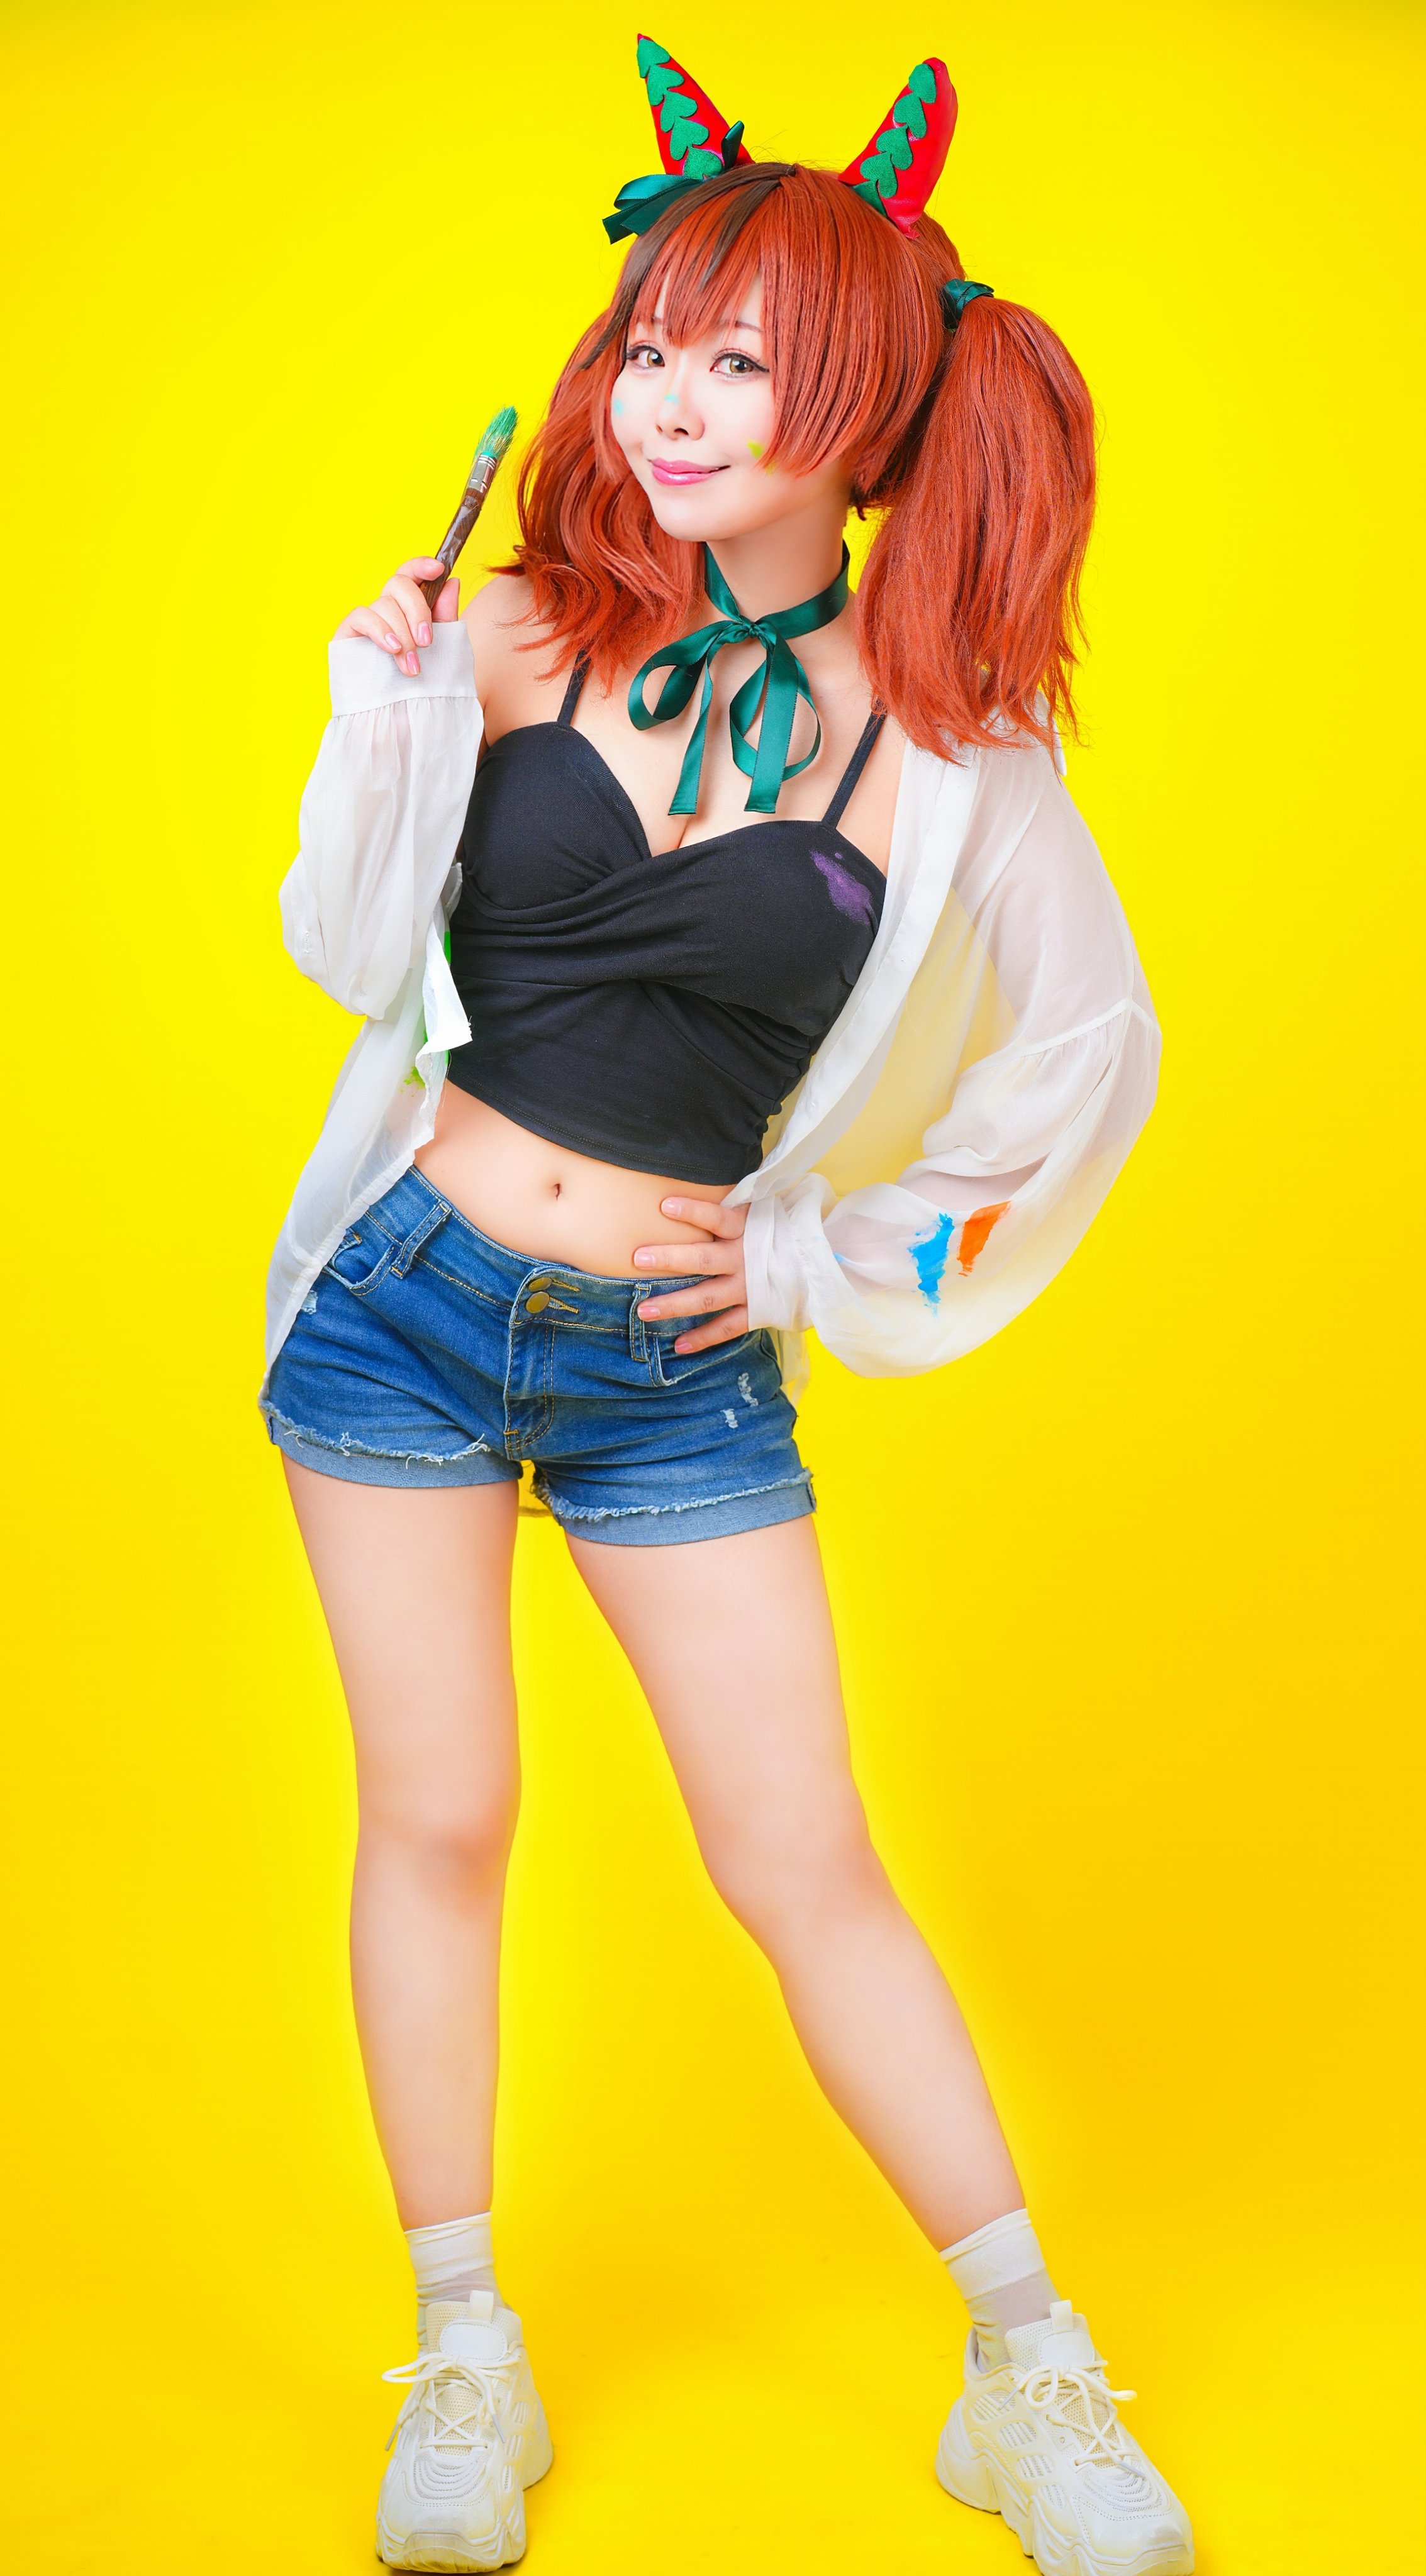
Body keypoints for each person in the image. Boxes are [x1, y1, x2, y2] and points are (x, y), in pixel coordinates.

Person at [262, 40, 1189, 2576]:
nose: (669, 401)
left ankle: (1026, 2371)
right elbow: (346, 949)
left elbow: (1090, 1068)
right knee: (441, 1817)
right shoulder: (517, 635)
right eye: (651, 344)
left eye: (741, 359)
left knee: (805, 1862)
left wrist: (803, 1259)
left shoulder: (958, 756)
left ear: (864, 404)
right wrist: (384, 706)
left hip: (672, 1366)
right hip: (407, 1303)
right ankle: (465, 2352)